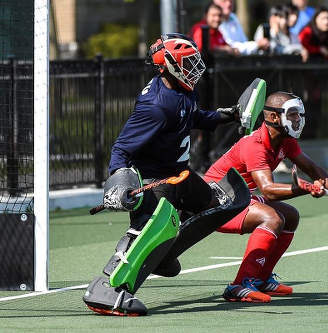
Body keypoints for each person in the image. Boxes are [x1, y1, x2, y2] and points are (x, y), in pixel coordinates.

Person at [82, 34, 249, 316]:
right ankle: (109, 290)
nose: (195, 68)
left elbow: (191, 117)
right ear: (167, 66)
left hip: (180, 175)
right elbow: (122, 147)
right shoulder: (156, 106)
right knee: (147, 233)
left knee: (214, 202)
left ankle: (164, 254)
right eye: (188, 63)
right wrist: (118, 182)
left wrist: (225, 116)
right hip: (155, 182)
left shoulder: (182, 90)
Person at [204, 91, 328, 303]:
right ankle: (238, 286)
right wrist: (305, 189)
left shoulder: (286, 140)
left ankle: (261, 279)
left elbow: (312, 168)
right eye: (293, 114)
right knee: (272, 218)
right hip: (219, 201)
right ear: (274, 117)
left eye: (300, 114)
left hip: (242, 197)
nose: (298, 119)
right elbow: (267, 189)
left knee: (291, 216)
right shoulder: (254, 146)